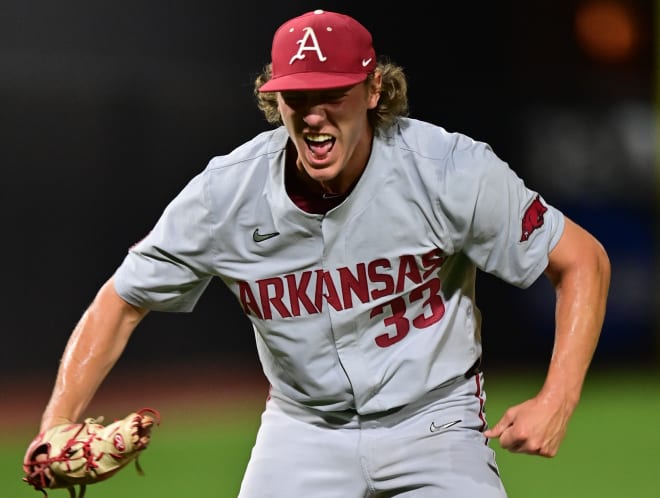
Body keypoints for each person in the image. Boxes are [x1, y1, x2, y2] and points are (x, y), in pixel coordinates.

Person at [29, 9, 610, 498]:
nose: (312, 114)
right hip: (303, 428)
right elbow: (121, 300)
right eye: (296, 96)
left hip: (434, 420)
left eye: (331, 92)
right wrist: (55, 422)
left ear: (374, 89)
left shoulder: (448, 170)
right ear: (273, 99)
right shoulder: (225, 194)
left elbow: (583, 260)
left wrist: (558, 398)